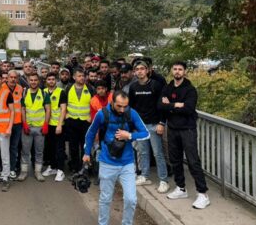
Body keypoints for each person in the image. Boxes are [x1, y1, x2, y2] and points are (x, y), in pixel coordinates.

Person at [83, 91, 149, 225]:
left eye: (125, 106)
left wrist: (129, 135)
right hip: (107, 162)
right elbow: (90, 133)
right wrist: (86, 153)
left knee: (131, 199)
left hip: (127, 163)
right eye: (119, 106)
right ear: (112, 102)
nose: (122, 109)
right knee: (105, 198)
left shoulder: (132, 113)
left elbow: (146, 133)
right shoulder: (102, 114)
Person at [159, 61, 210, 209]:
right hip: (172, 129)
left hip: (187, 129)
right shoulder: (167, 87)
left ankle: (203, 194)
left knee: (193, 161)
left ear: (185, 72)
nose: (177, 71)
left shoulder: (190, 90)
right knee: (175, 160)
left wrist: (170, 105)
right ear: (171, 71)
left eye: (180, 69)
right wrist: (176, 105)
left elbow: (188, 109)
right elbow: (160, 106)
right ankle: (181, 188)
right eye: (174, 69)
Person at [128, 60, 169, 193]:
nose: (139, 71)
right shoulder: (133, 87)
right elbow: (131, 108)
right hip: (140, 127)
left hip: (154, 124)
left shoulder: (156, 85)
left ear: (147, 71)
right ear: (134, 72)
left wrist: (162, 123)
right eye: (137, 69)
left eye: (142, 69)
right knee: (143, 152)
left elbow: (162, 106)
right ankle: (144, 176)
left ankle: (164, 180)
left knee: (158, 153)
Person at [18, 73, 50, 182]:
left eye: (35, 80)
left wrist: (46, 124)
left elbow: (48, 110)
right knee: (25, 151)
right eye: (31, 80)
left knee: (39, 151)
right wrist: (24, 123)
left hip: (40, 128)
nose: (33, 82)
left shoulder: (44, 94)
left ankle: (38, 172)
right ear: (28, 80)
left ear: (39, 81)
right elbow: (22, 109)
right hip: (28, 127)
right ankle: (24, 171)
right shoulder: (25, 93)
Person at [65, 68, 92, 173]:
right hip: (72, 121)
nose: (82, 78)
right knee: (73, 146)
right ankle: (75, 167)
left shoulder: (90, 88)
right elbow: (64, 103)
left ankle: (84, 167)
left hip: (86, 122)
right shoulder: (68, 88)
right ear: (74, 77)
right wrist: (66, 116)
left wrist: (91, 117)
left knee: (85, 145)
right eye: (79, 76)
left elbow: (94, 103)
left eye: (83, 76)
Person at [42, 72, 67, 182]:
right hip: (48, 125)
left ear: (56, 81)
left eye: (53, 79)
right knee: (50, 148)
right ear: (46, 81)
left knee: (59, 148)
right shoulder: (43, 92)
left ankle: (61, 170)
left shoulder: (61, 92)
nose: (51, 81)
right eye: (49, 79)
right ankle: (52, 167)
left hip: (58, 124)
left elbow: (63, 109)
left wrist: (59, 125)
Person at [3, 70, 23, 180]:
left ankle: (12, 168)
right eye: (11, 77)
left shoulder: (20, 89)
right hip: (5, 123)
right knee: (4, 148)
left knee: (14, 147)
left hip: (17, 123)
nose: (13, 79)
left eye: (15, 77)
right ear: (7, 78)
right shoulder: (2, 88)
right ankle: (4, 168)